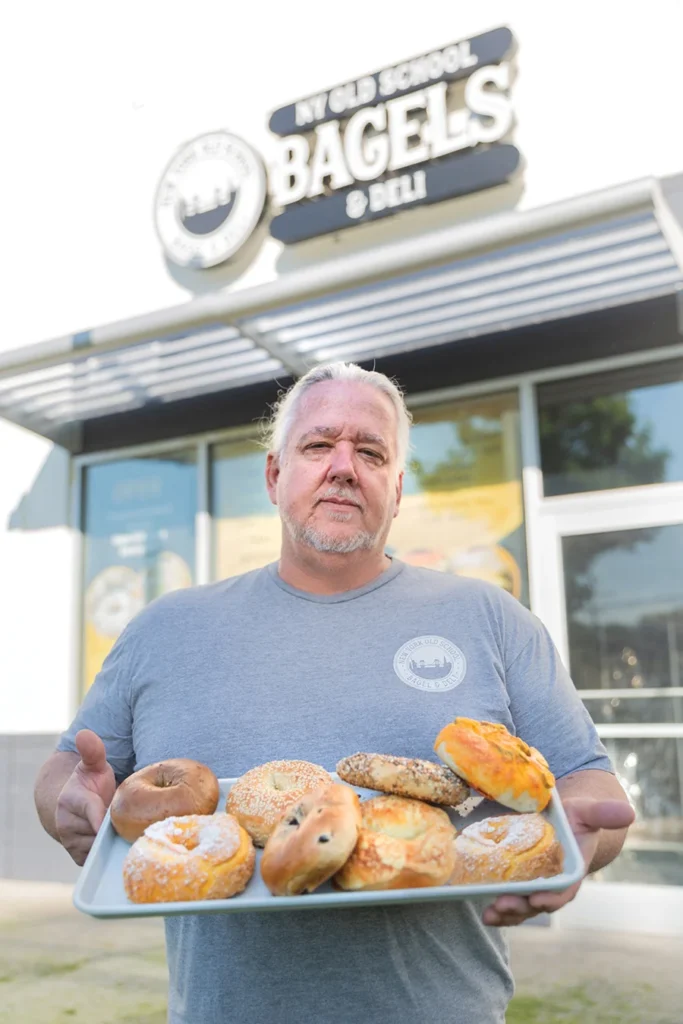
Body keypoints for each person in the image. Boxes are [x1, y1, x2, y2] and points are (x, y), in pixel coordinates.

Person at [34, 361, 634, 1024]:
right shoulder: (165, 628)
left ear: (397, 489)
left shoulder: (490, 617)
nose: (343, 466)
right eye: (318, 445)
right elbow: (67, 770)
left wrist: (579, 845)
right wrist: (63, 803)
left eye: (370, 452)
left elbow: (587, 785)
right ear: (273, 475)